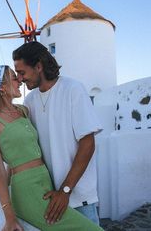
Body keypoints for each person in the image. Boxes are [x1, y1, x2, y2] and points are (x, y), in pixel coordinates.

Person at [0, 65, 103, 231]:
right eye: (14, 78)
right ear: (1, 86)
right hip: (27, 190)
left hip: (46, 182)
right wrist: (9, 217)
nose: (19, 81)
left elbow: (22, 150)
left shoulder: (23, 111)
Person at [13, 41, 103, 226]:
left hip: (78, 198)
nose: (20, 79)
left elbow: (88, 144)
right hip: (49, 198)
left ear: (38, 66)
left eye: (22, 72)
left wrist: (65, 191)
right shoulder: (29, 100)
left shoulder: (73, 89)